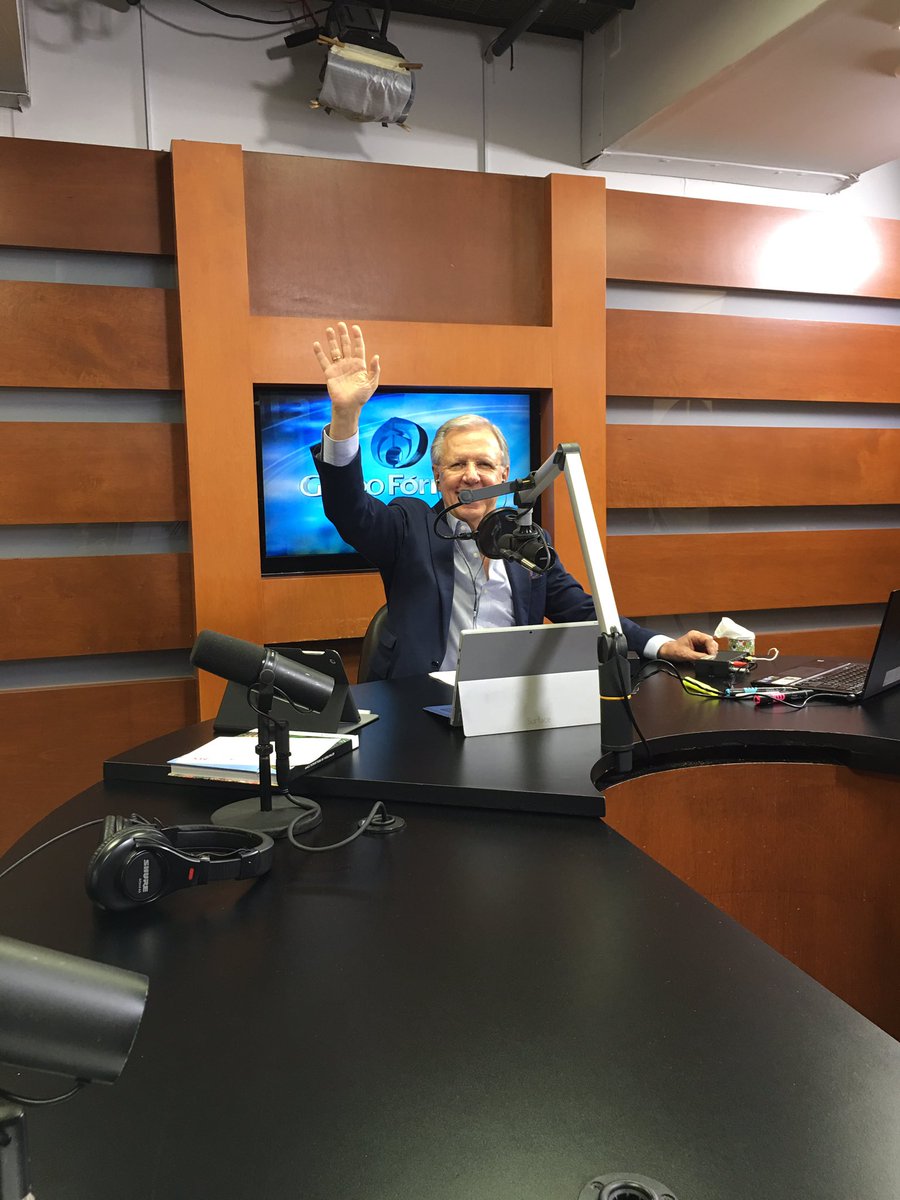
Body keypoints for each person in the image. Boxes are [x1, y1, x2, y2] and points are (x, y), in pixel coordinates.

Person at [312, 321, 717, 681]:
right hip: (419, 706)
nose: (471, 475)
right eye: (457, 464)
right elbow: (350, 511)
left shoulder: (525, 539)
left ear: (504, 475)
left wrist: (661, 644)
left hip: (507, 705)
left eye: (484, 464)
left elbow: (581, 609)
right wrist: (345, 416)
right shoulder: (408, 524)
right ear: (436, 476)